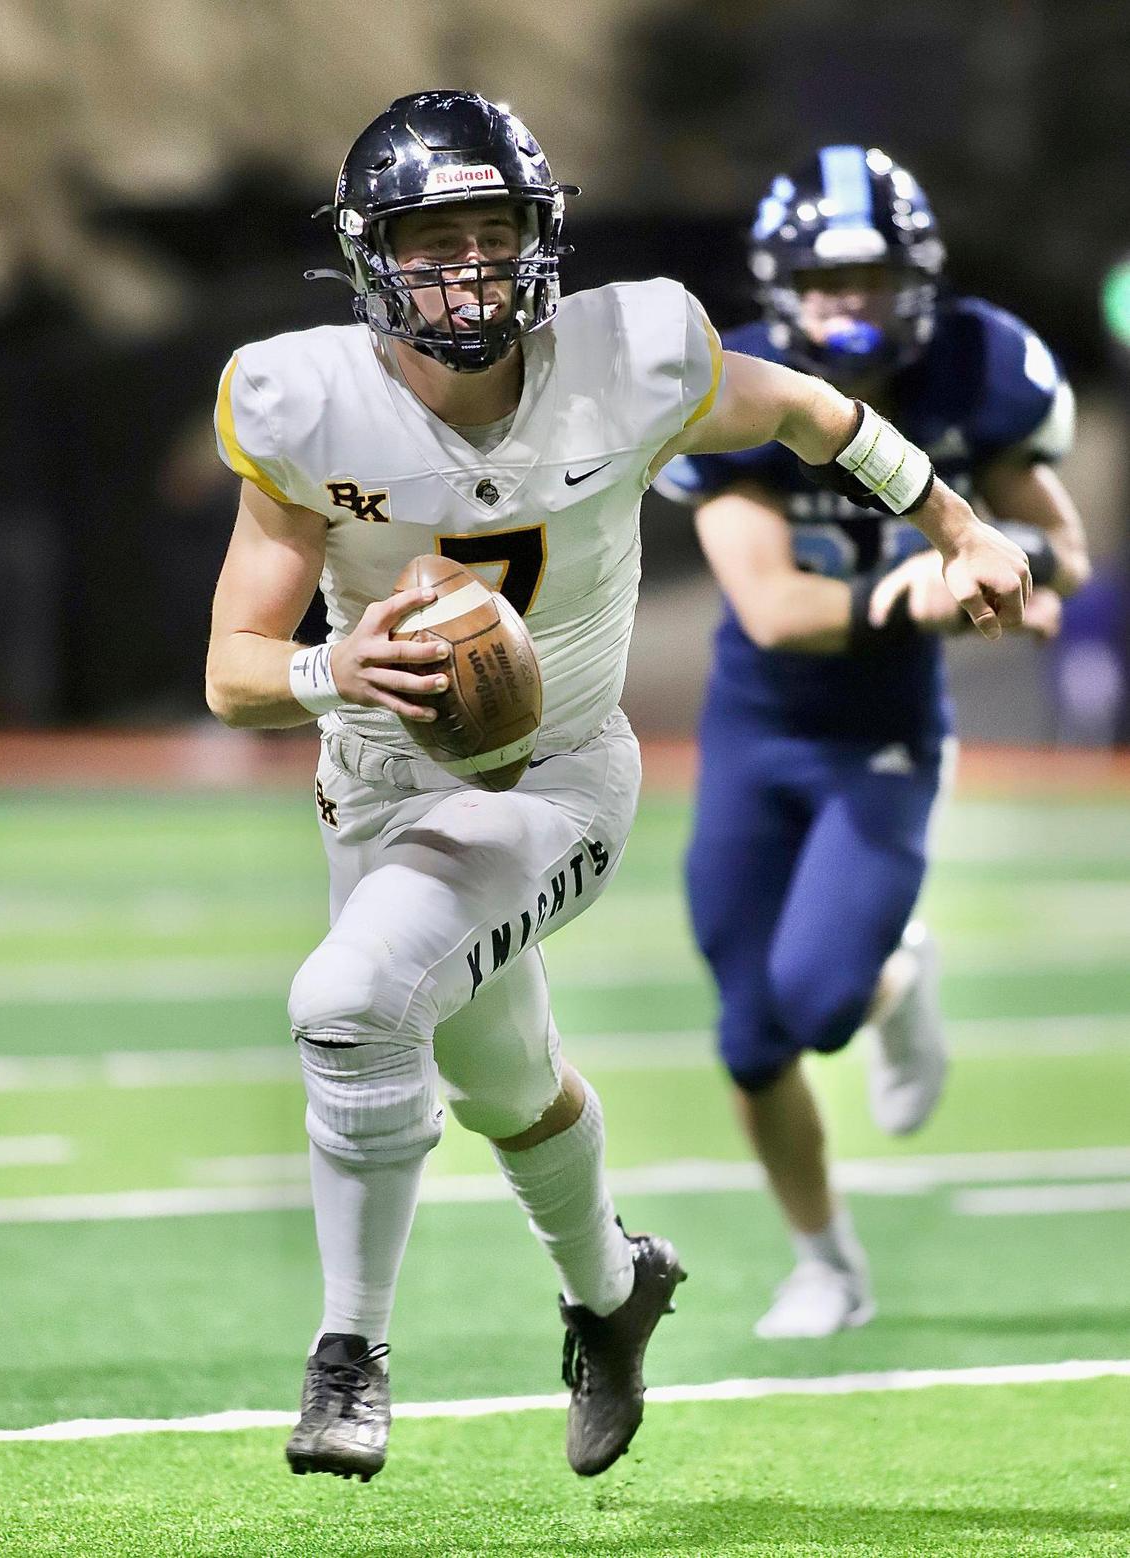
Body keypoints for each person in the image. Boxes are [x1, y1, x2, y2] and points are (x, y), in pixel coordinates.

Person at [206, 96, 1030, 1482]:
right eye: (434, 241)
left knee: (348, 1003)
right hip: (377, 788)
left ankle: (350, 1351)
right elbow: (234, 668)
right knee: (501, 1074)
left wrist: (956, 520)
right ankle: (614, 1288)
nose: (470, 272)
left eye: (496, 235)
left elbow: (821, 415)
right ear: (369, 257)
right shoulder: (304, 403)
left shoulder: (632, 354)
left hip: (556, 780)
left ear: (544, 241)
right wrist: (331, 668)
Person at [655, 145, 1090, 1340]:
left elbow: (1065, 549)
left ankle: (892, 973)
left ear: (923, 278)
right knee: (751, 1037)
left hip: (885, 737)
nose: (853, 305)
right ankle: (826, 1263)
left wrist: (1001, 570)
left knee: (820, 1002)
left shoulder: (977, 363)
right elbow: (775, 611)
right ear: (783, 283)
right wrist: (910, 591)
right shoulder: (742, 386)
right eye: (828, 280)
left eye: (877, 278)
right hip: (758, 729)